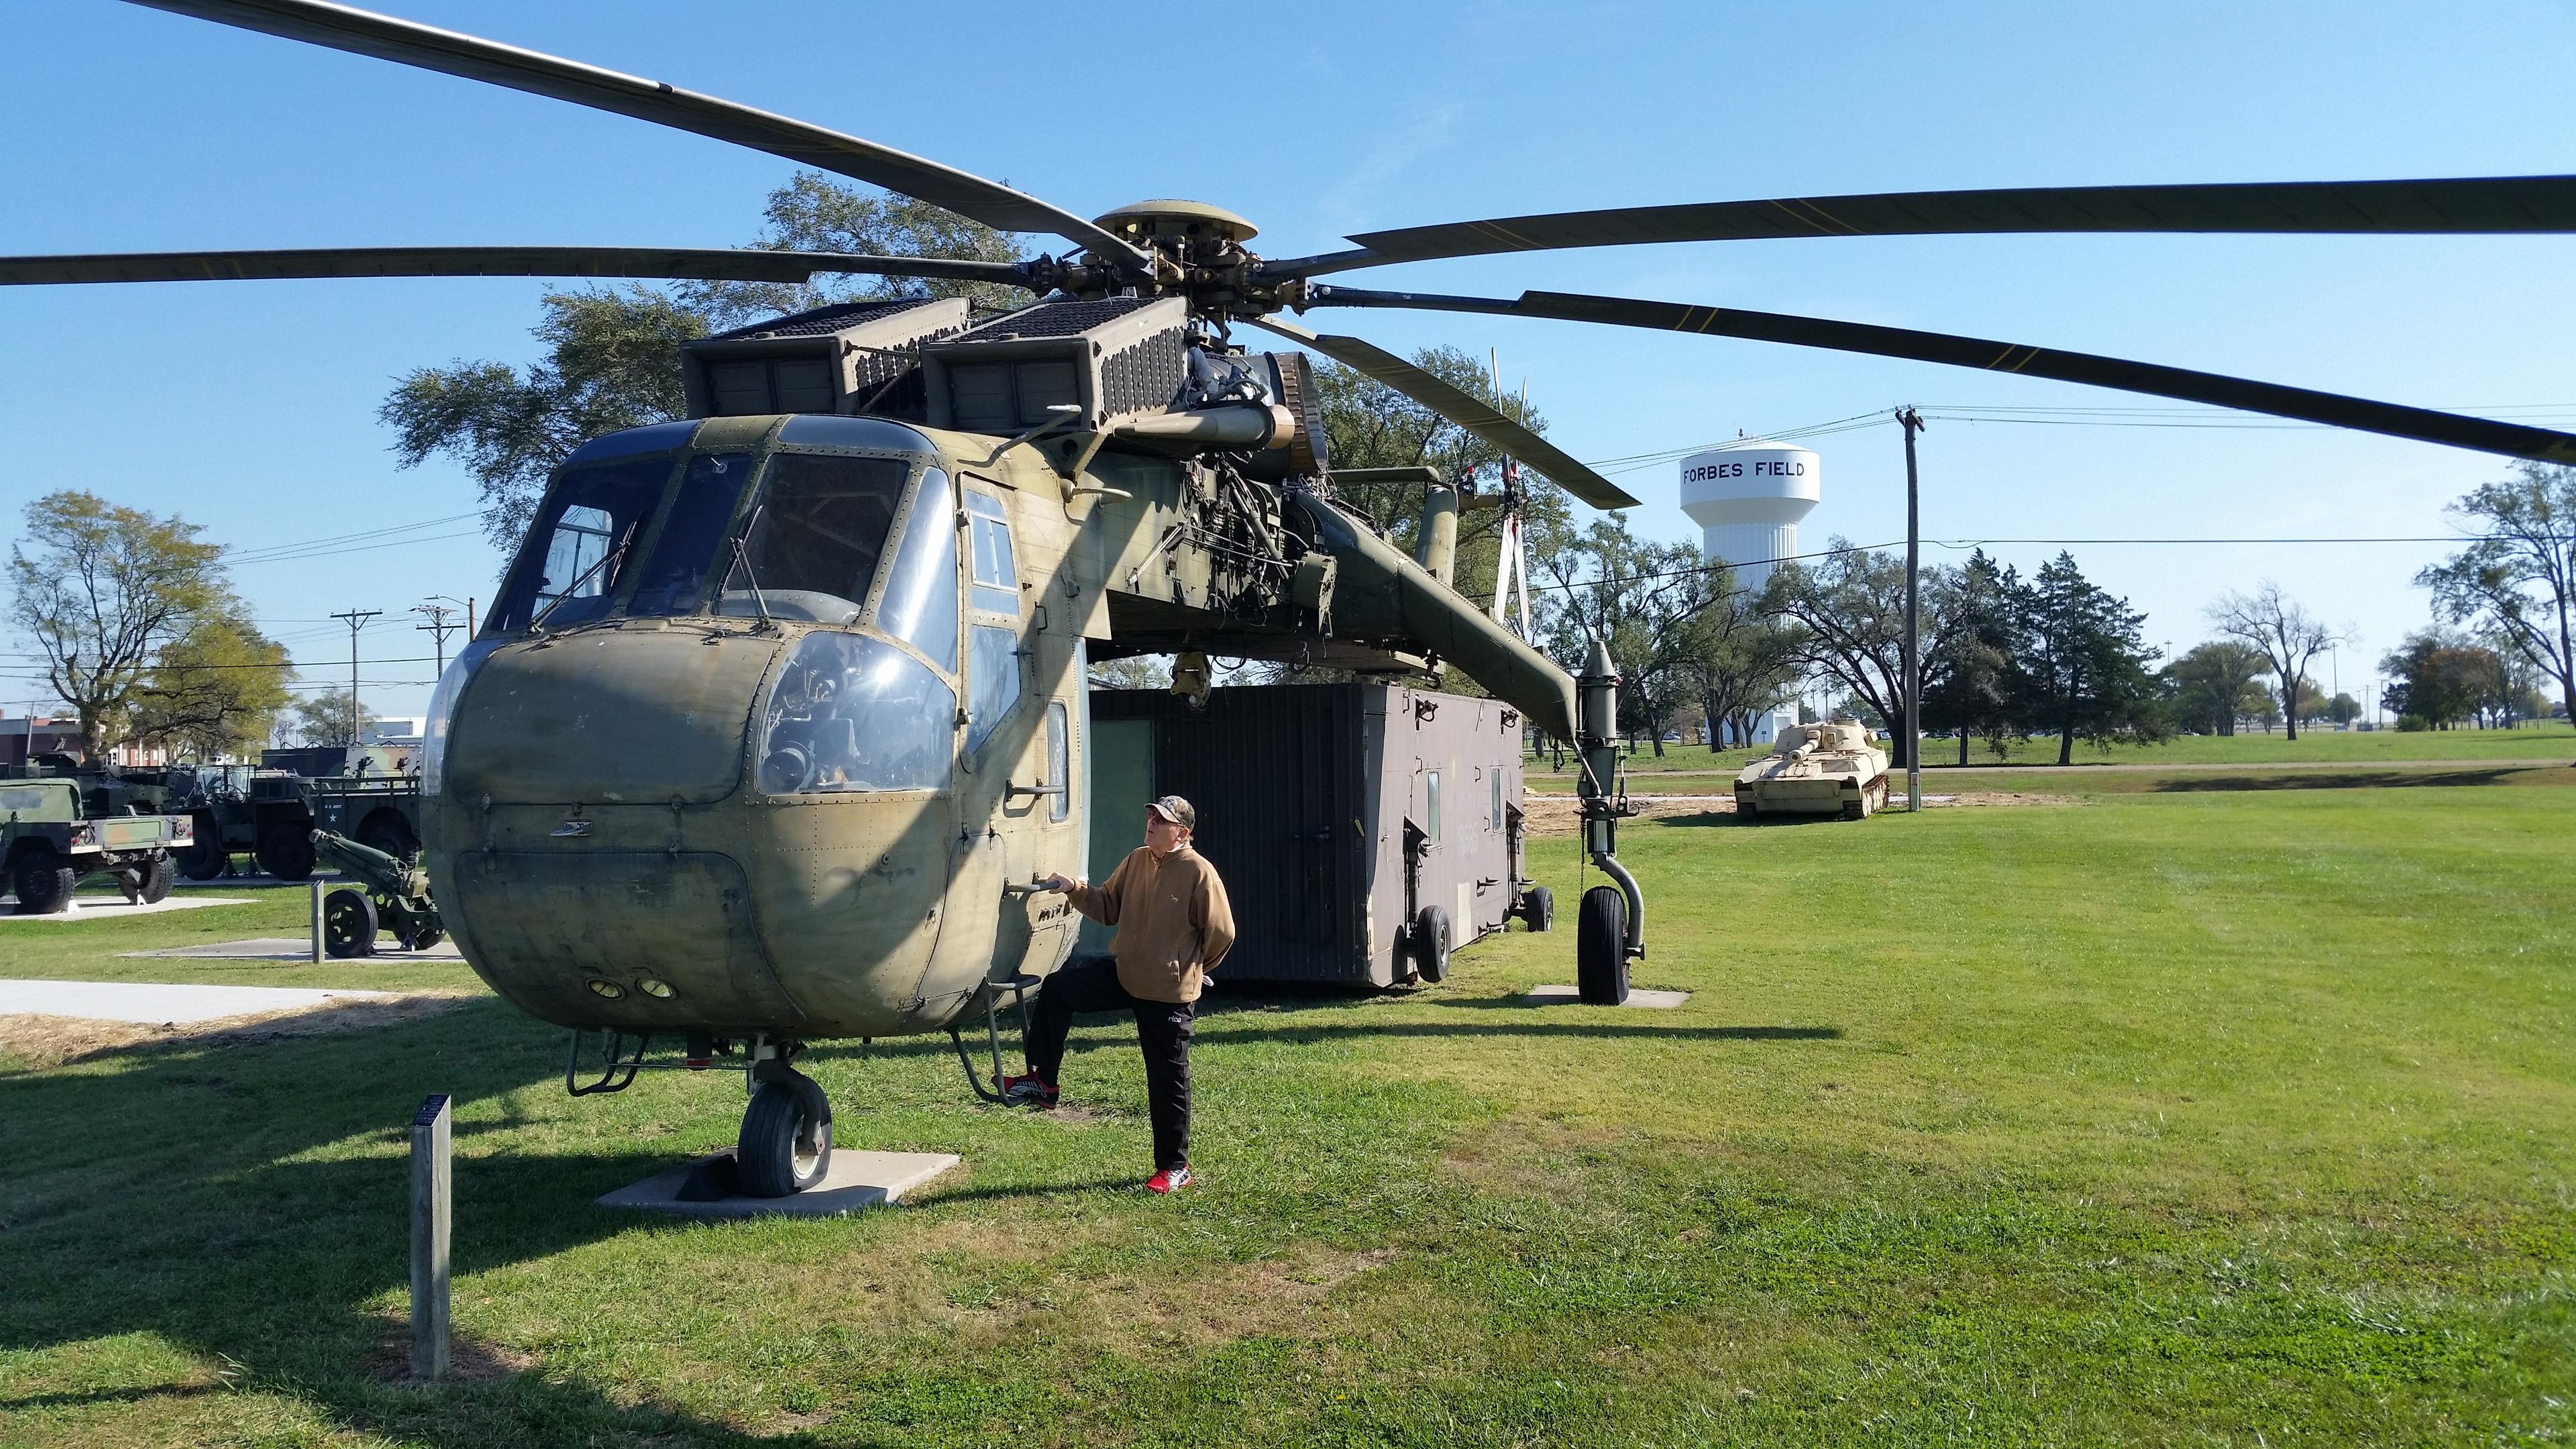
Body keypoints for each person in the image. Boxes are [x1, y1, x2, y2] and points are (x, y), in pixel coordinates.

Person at [1005, 794, 1234, 1194]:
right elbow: (1107, 906)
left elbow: (1222, 934)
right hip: (1125, 973)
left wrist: (1191, 969)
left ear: (1181, 832)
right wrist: (1073, 888)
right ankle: (1045, 1082)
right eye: (1150, 816)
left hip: (1168, 992)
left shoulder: (1200, 873)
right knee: (1059, 989)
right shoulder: (1137, 859)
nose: (1151, 823)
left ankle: (1175, 1167)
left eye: (1160, 820)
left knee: (1167, 1080)